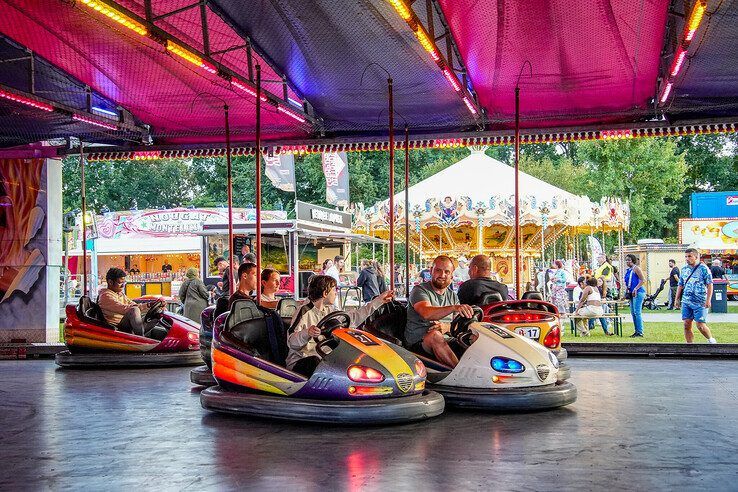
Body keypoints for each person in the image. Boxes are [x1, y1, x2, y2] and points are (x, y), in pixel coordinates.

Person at [286, 275, 393, 376]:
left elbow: (354, 317)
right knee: (316, 362)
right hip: (302, 360)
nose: (336, 293)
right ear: (325, 293)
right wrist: (307, 333)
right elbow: (291, 342)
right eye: (334, 290)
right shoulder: (304, 311)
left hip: (323, 356)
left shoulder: (330, 310)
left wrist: (378, 301)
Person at [405, 255, 475, 368]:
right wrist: (453, 308)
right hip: (419, 342)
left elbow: (457, 325)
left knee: (475, 337)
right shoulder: (420, 290)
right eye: (438, 270)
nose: (442, 275)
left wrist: (447, 327)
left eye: (447, 272)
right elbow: (426, 313)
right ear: (431, 271)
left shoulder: (452, 295)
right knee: (435, 336)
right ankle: (459, 374)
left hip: (446, 339)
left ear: (452, 275)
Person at [97, 268, 161, 336]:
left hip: (126, 324)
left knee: (158, 312)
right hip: (117, 327)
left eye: (124, 282)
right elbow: (124, 308)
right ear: (110, 282)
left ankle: (144, 336)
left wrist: (150, 306)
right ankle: (141, 339)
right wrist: (147, 305)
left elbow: (132, 304)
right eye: (120, 283)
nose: (123, 285)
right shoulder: (105, 296)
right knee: (134, 310)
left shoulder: (120, 294)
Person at [675, 248, 717, 344]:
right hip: (686, 300)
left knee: (700, 325)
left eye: (689, 256)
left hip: (700, 301)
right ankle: (690, 345)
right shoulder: (684, 269)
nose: (687, 258)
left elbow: (710, 284)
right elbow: (680, 285)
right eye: (686, 256)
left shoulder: (704, 269)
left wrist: (708, 300)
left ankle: (711, 340)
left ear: (696, 257)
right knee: (686, 324)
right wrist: (676, 299)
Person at [624, 253, 646, 337]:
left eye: (629, 260)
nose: (627, 262)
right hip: (631, 292)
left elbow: (642, 280)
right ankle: (636, 330)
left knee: (637, 312)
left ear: (633, 261)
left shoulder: (636, 269)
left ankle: (640, 331)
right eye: (626, 260)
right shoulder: (629, 270)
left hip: (638, 292)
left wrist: (636, 288)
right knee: (633, 312)